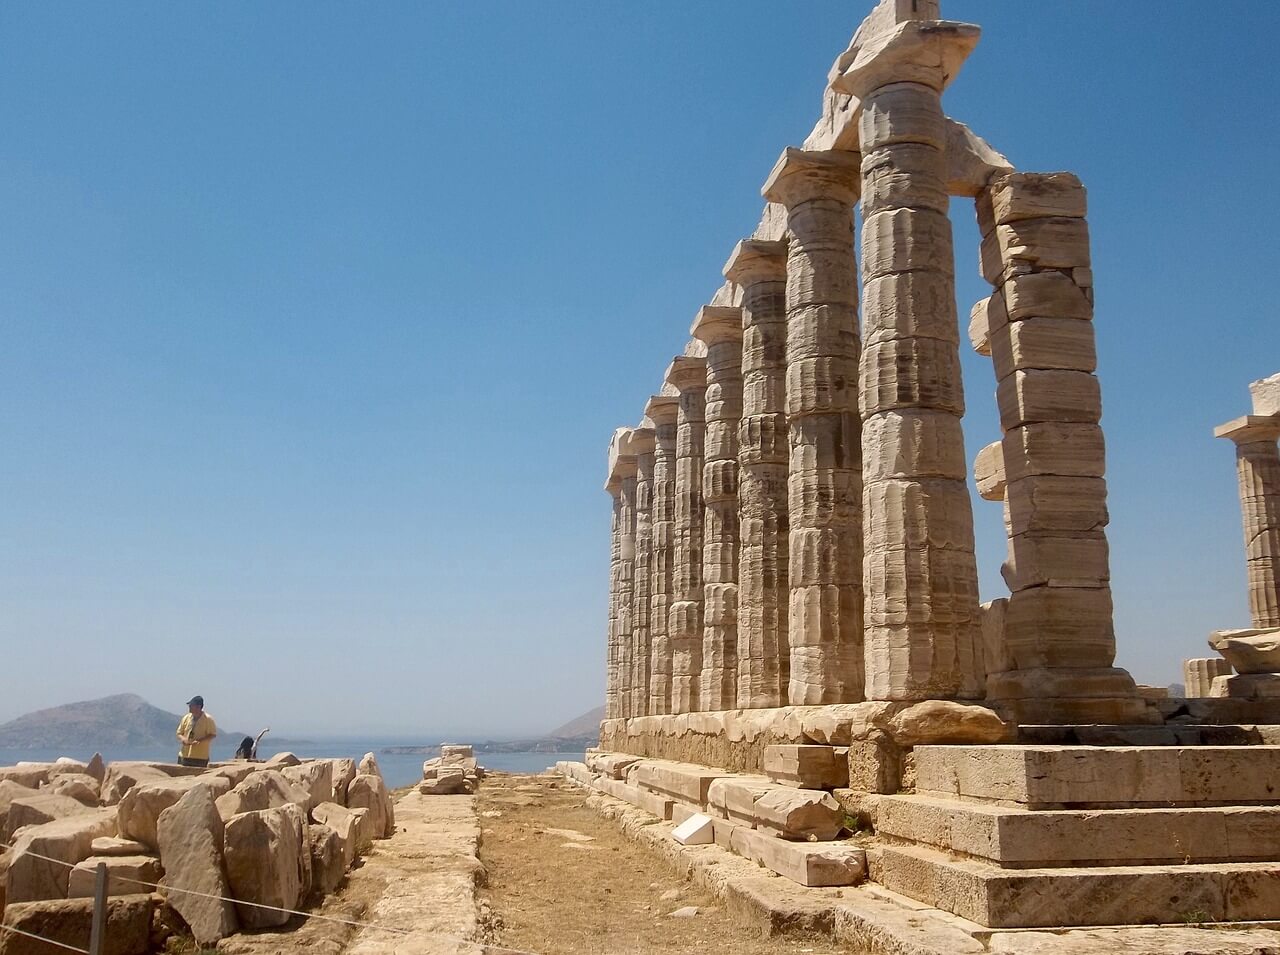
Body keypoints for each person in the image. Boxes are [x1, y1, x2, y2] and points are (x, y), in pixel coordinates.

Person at [176, 695, 217, 767]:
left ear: (198, 706)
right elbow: (179, 733)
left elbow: (212, 734)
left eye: (192, 705)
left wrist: (200, 741)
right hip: (184, 755)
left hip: (200, 758)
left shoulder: (208, 719)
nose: (189, 707)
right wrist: (183, 739)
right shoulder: (186, 717)